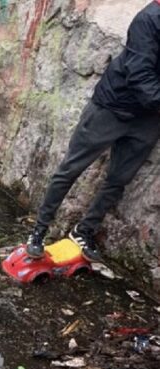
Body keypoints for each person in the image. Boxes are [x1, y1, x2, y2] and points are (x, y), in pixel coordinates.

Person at [26, 0, 160, 262]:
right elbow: (139, 74)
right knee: (71, 168)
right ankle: (38, 231)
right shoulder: (149, 19)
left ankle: (83, 231)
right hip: (112, 107)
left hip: (148, 118)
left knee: (118, 180)